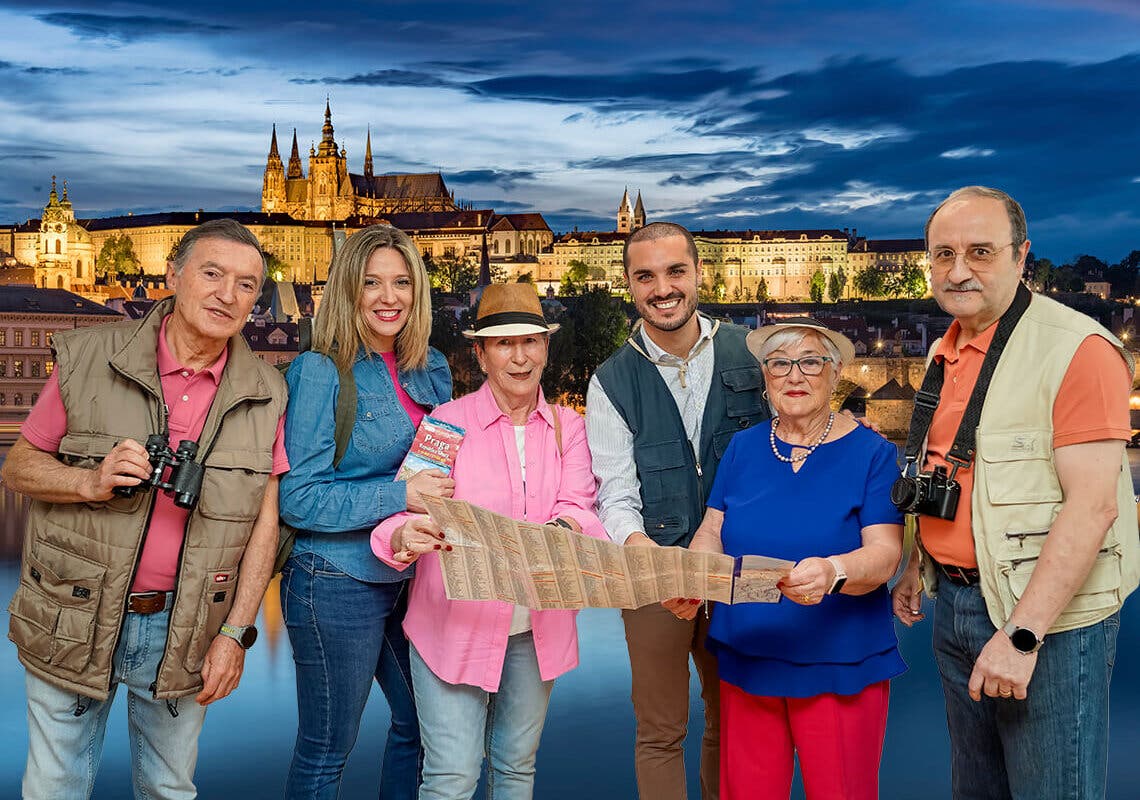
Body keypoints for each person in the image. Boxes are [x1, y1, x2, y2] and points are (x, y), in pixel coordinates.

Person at [4, 219, 289, 799]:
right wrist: (90, 481)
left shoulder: (267, 389)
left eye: (245, 284)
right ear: (172, 275)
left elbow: (265, 525)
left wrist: (237, 631)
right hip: (72, 609)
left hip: (185, 624)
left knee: (168, 788)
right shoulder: (88, 356)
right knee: (55, 785)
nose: (226, 295)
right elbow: (17, 468)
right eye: (212, 274)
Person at [891, 186, 1138, 799]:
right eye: (943, 254)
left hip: (1044, 623)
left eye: (980, 251)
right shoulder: (947, 349)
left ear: (1021, 255)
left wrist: (1023, 636)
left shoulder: (1075, 348)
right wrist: (916, 562)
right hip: (955, 605)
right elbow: (958, 470)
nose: (957, 270)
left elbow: (1094, 507)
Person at [371, 282, 606, 800]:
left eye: (530, 341)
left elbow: (582, 511)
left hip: (536, 629)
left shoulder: (570, 428)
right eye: (503, 344)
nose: (519, 357)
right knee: (452, 777)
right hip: (451, 628)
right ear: (480, 354)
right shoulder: (445, 425)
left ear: (546, 346)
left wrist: (559, 533)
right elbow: (397, 515)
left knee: (516, 770)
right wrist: (405, 534)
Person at [667, 317, 905, 800]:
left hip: (839, 660)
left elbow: (884, 555)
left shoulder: (873, 453)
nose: (794, 376)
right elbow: (712, 529)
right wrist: (697, 576)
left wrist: (832, 572)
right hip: (748, 653)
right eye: (779, 364)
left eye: (810, 362)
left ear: (836, 374)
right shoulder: (742, 447)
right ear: (765, 377)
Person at [585, 221, 768, 800]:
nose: (662, 288)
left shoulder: (755, 354)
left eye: (674, 272)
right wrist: (647, 558)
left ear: (697, 273)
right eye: (646, 276)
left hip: (741, 572)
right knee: (661, 731)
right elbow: (615, 492)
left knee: (734, 722)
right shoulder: (609, 381)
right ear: (629, 285)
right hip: (652, 576)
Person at [279, 224, 453, 799]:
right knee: (328, 750)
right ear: (348, 289)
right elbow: (299, 499)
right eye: (372, 282)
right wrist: (399, 496)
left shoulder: (431, 367)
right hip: (334, 579)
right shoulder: (319, 371)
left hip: (412, 579)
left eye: (402, 282)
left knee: (424, 726)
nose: (389, 297)